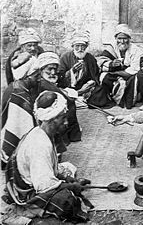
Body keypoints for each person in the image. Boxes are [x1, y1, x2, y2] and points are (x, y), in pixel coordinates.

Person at [5, 91, 91, 223]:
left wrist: (68, 179)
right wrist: (71, 186)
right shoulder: (40, 145)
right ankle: (28, 212)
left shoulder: (43, 133)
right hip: (29, 192)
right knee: (67, 201)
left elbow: (52, 170)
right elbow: (44, 186)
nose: (67, 122)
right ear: (51, 119)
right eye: (63, 118)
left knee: (69, 168)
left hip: (35, 179)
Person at [1, 52, 81, 167]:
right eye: (35, 74)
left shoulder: (24, 85)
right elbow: (21, 125)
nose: (38, 78)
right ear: (27, 75)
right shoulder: (18, 93)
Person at [96, 24, 143, 108]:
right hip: (114, 75)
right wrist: (111, 64)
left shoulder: (136, 50)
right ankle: (110, 97)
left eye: (125, 38)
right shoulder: (111, 47)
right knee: (103, 76)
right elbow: (101, 62)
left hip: (128, 76)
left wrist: (116, 72)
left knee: (132, 80)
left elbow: (134, 70)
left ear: (129, 39)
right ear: (116, 39)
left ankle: (124, 100)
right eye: (119, 38)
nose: (122, 41)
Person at [57, 32, 100, 97]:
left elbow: (95, 74)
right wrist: (72, 71)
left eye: (83, 46)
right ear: (72, 46)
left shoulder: (90, 58)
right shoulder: (65, 57)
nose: (80, 49)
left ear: (86, 47)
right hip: (70, 87)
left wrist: (90, 83)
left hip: (87, 87)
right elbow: (60, 77)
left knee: (101, 91)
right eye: (77, 46)